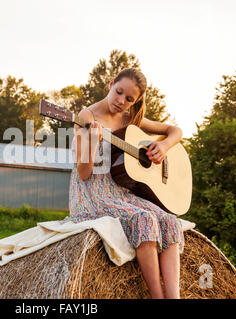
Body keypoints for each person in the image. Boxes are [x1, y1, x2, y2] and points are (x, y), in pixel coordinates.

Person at [68, 68, 184, 299]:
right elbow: (83, 173)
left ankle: (174, 296)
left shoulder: (130, 119)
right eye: (118, 92)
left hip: (119, 191)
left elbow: (175, 131)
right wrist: (92, 142)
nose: (121, 101)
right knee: (145, 218)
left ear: (137, 100)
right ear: (111, 84)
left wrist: (164, 146)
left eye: (129, 99)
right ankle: (156, 296)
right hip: (91, 194)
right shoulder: (87, 117)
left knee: (171, 221)